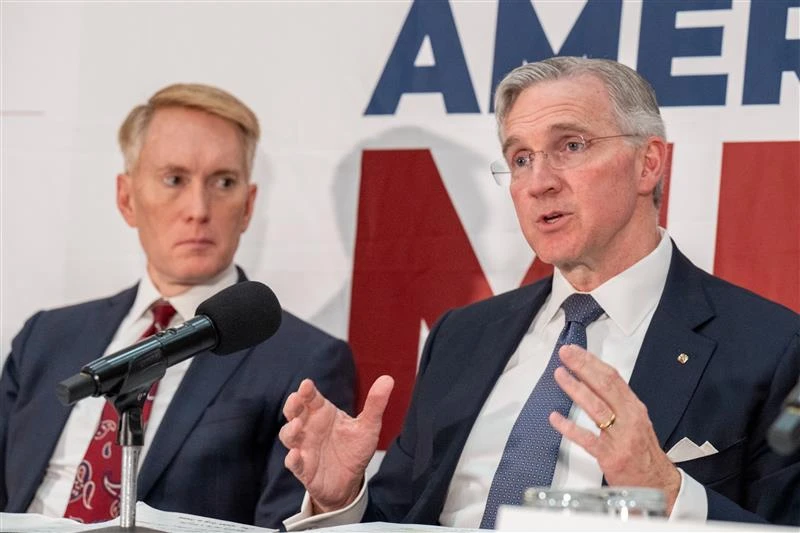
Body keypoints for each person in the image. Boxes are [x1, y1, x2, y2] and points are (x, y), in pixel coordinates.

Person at [278, 57, 800, 529]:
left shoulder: (771, 348)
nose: (538, 182)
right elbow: (400, 519)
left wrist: (667, 492)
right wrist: (341, 501)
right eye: (521, 158)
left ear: (648, 164)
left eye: (570, 146)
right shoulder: (462, 337)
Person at [0, 83, 356, 528]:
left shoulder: (305, 358)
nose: (198, 208)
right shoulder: (47, 336)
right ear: (126, 198)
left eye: (223, 182)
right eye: (174, 179)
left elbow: (286, 522)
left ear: (247, 207)